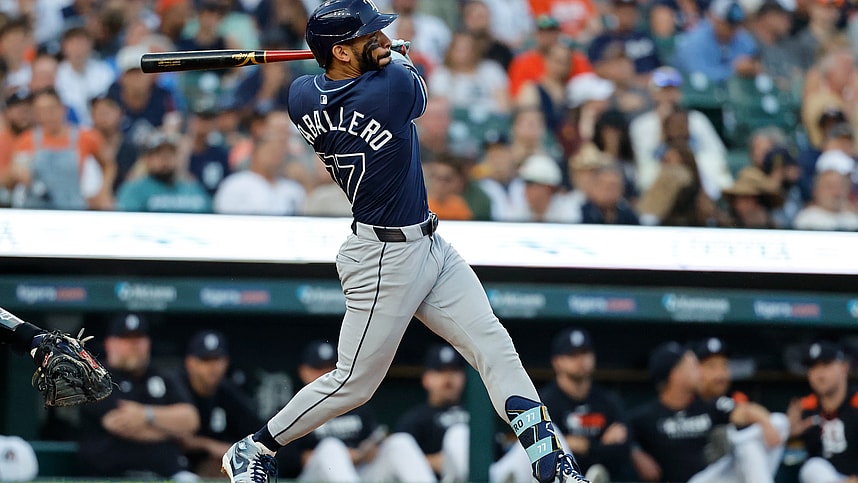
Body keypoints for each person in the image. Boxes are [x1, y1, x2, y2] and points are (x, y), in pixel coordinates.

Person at [220, 2, 589, 483]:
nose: (381, 39)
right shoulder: (390, 89)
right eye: (369, 35)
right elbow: (410, 84)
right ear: (341, 51)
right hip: (383, 258)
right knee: (353, 384)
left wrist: (364, 55)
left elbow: (327, 83)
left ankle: (552, 462)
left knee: (493, 345)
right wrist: (390, 57)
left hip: (428, 244)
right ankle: (254, 448)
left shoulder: (300, 95)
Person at [278, 340, 435, 483]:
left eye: (331, 367)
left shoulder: (355, 404)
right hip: (313, 476)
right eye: (318, 368)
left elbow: (373, 444)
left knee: (400, 442)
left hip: (358, 473)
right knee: (331, 447)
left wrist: (365, 452)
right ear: (304, 371)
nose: (325, 374)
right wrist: (344, 456)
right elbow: (286, 459)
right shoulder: (294, 409)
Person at [629, 341, 785, 483]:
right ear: (675, 374)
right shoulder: (645, 416)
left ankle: (739, 442)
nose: (699, 372)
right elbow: (620, 436)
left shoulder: (708, 405)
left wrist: (765, 424)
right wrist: (636, 454)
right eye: (692, 366)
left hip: (714, 477)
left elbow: (744, 412)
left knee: (777, 424)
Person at [78, 312, 200, 481]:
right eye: (125, 339)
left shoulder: (164, 377)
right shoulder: (95, 378)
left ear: (148, 343)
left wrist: (145, 414)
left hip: (170, 473)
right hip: (111, 475)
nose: (133, 345)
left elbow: (190, 420)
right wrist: (172, 430)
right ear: (109, 344)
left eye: (138, 339)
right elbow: (119, 424)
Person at [397, 344, 533, 483]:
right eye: (440, 371)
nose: (448, 378)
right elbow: (401, 459)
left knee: (538, 433)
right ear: (426, 379)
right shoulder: (415, 419)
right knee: (458, 433)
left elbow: (499, 453)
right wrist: (432, 461)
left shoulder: (478, 413)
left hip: (490, 472)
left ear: (463, 377)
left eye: (454, 371)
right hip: (443, 477)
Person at [539, 328, 632, 483]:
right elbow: (546, 452)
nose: (581, 360)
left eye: (585, 353)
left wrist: (583, 446)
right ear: (557, 362)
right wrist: (601, 445)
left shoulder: (608, 400)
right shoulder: (545, 401)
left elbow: (622, 450)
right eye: (572, 355)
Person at [179, 330, 263, 478]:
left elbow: (257, 436)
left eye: (217, 359)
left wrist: (211, 446)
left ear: (226, 362)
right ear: (190, 363)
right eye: (205, 360)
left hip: (220, 465)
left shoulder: (229, 393)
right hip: (180, 467)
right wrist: (207, 446)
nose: (212, 367)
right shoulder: (177, 388)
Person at [789, 340, 858, 482]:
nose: (819, 374)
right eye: (813, 367)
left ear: (844, 367)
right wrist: (789, 435)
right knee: (814, 467)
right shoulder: (804, 408)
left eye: (826, 365)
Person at [115, 131, 212, 213]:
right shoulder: (134, 190)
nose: (165, 159)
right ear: (147, 159)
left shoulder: (193, 189)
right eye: (159, 154)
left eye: (171, 154)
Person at [213, 136, 306, 215]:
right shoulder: (234, 185)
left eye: (280, 152)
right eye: (271, 151)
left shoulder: (294, 188)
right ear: (255, 153)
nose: (276, 157)